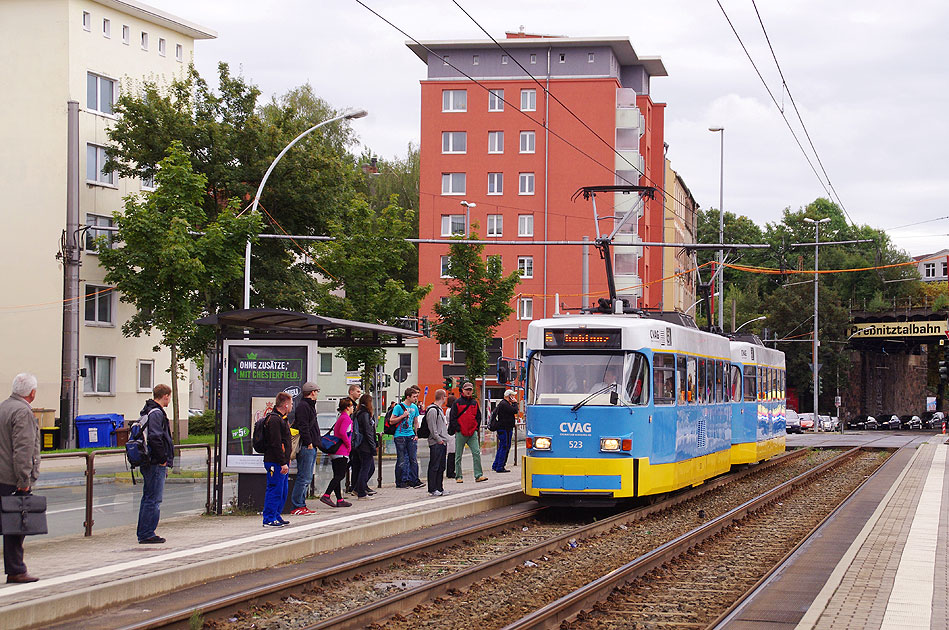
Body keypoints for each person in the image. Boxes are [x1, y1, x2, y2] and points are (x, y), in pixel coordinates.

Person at [0, 373, 40, 582]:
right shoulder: (23, 412)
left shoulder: (3, 406)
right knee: (15, 526)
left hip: (1, 476)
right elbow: (23, 449)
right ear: (32, 393)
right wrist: (24, 480)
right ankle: (16, 570)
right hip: (12, 479)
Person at [137, 383, 174, 543]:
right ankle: (147, 534)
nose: (170, 400)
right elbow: (155, 437)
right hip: (155, 462)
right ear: (165, 396)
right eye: (169, 397)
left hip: (147, 460)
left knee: (148, 497)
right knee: (154, 499)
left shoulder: (147, 410)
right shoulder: (157, 413)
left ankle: (144, 531)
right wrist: (163, 459)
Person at [262, 392, 293, 527]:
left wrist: (287, 459)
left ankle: (276, 514)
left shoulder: (282, 418)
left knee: (282, 490)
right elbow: (276, 443)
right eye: (291, 403)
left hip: (282, 461)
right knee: (275, 489)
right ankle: (268, 518)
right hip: (275, 462)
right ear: (285, 404)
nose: (292, 406)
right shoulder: (274, 420)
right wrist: (282, 461)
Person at [289, 382, 320, 516]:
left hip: (311, 444)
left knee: (306, 477)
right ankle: (298, 505)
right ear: (312, 392)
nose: (317, 394)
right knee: (304, 477)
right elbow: (303, 426)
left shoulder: (308, 406)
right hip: (306, 445)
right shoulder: (304, 406)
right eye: (316, 391)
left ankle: (301, 504)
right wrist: (309, 442)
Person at [450, 382, 487, 483]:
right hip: (461, 432)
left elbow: (478, 417)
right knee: (458, 455)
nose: (468, 391)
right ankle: (458, 476)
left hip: (472, 433)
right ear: (462, 390)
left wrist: (475, 428)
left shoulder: (474, 403)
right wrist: (458, 429)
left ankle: (478, 475)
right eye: (467, 389)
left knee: (476, 453)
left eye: (470, 389)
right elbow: (452, 418)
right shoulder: (457, 403)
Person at [321, 398, 353, 508]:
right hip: (341, 450)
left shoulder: (340, 417)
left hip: (335, 451)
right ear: (348, 407)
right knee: (340, 475)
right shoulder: (346, 418)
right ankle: (326, 494)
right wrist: (349, 445)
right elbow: (343, 433)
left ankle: (339, 499)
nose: (353, 408)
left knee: (337, 475)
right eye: (352, 406)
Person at [392, 387, 424, 488]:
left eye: (416, 396)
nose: (416, 398)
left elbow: (415, 421)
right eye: (414, 397)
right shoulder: (399, 407)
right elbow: (392, 420)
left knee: (413, 459)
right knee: (401, 460)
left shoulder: (414, 407)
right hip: (400, 435)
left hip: (410, 435)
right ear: (408, 397)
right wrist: (402, 416)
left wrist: (416, 434)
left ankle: (414, 480)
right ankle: (400, 481)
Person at [424, 389, 450, 496]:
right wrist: (439, 440)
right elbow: (432, 428)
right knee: (434, 466)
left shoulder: (439, 410)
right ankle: (432, 488)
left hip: (442, 442)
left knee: (441, 466)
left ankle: (439, 487)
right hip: (436, 443)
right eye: (445, 396)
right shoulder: (433, 410)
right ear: (443, 397)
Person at [352, 393, 377, 499]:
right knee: (368, 468)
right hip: (365, 445)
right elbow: (368, 431)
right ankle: (361, 491)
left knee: (365, 467)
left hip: (358, 445)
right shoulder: (365, 414)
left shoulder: (357, 413)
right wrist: (373, 446)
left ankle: (358, 488)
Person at [492, 389, 518, 473]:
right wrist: (515, 403)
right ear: (508, 396)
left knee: (502, 447)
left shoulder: (503, 404)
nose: (514, 397)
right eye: (512, 396)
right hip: (505, 429)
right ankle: (500, 466)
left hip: (504, 428)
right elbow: (515, 411)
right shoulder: (504, 404)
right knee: (505, 447)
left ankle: (496, 465)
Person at [346, 383, 363, 494]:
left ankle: (354, 485)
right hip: (350, 438)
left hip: (353, 437)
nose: (359, 394)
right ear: (351, 392)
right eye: (357, 391)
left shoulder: (355, 405)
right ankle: (353, 486)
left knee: (356, 463)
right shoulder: (347, 403)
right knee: (352, 463)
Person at [445, 394, 457, 478]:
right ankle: (450, 471)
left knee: (452, 453)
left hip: (449, 432)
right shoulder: (451, 411)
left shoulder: (448, 410)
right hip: (452, 433)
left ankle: (451, 471)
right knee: (452, 453)